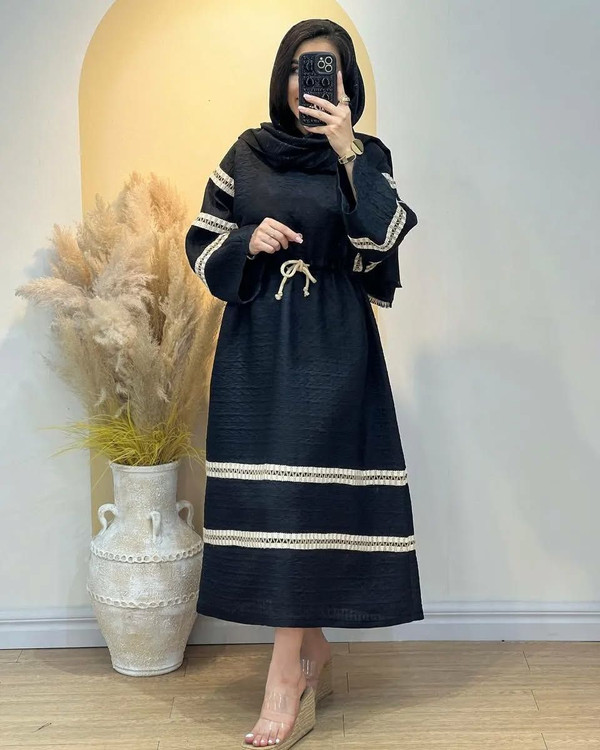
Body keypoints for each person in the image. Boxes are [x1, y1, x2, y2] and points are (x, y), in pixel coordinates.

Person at [185, 18, 424, 750]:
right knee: (277, 503)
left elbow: (382, 243)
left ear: (346, 81)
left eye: (324, 69)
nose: (307, 82)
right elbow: (201, 243)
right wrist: (246, 240)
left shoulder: (365, 154)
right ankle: (312, 647)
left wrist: (348, 151)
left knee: (305, 502)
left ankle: (283, 676)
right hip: (257, 346)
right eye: (297, 67)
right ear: (280, 77)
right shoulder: (245, 153)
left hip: (334, 344)